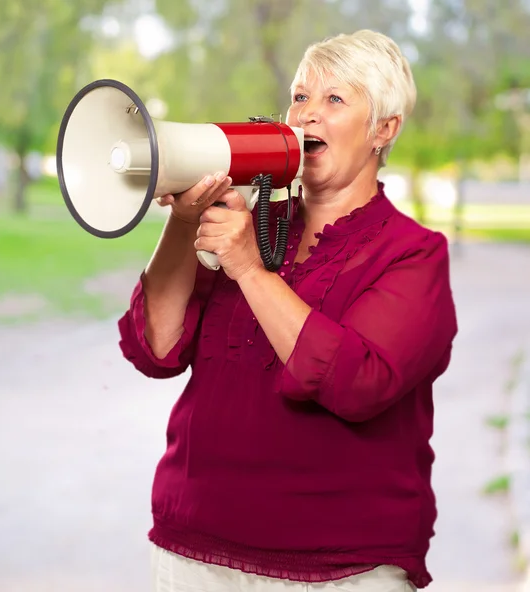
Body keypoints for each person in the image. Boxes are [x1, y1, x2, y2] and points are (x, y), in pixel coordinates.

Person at [118, 29, 458, 592]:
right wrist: (184, 222)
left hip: (340, 568)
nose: (308, 115)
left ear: (384, 129)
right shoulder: (253, 224)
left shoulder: (412, 254)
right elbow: (155, 347)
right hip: (194, 550)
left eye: (335, 99)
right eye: (300, 97)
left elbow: (358, 382)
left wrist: (249, 269)